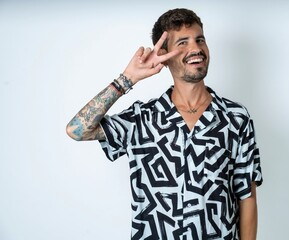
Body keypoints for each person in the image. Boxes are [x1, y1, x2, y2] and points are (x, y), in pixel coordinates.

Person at [66, 8, 263, 240]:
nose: (196, 48)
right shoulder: (142, 118)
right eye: (183, 43)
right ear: (165, 55)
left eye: (200, 40)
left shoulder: (235, 117)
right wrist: (127, 79)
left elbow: (246, 196)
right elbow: (77, 129)